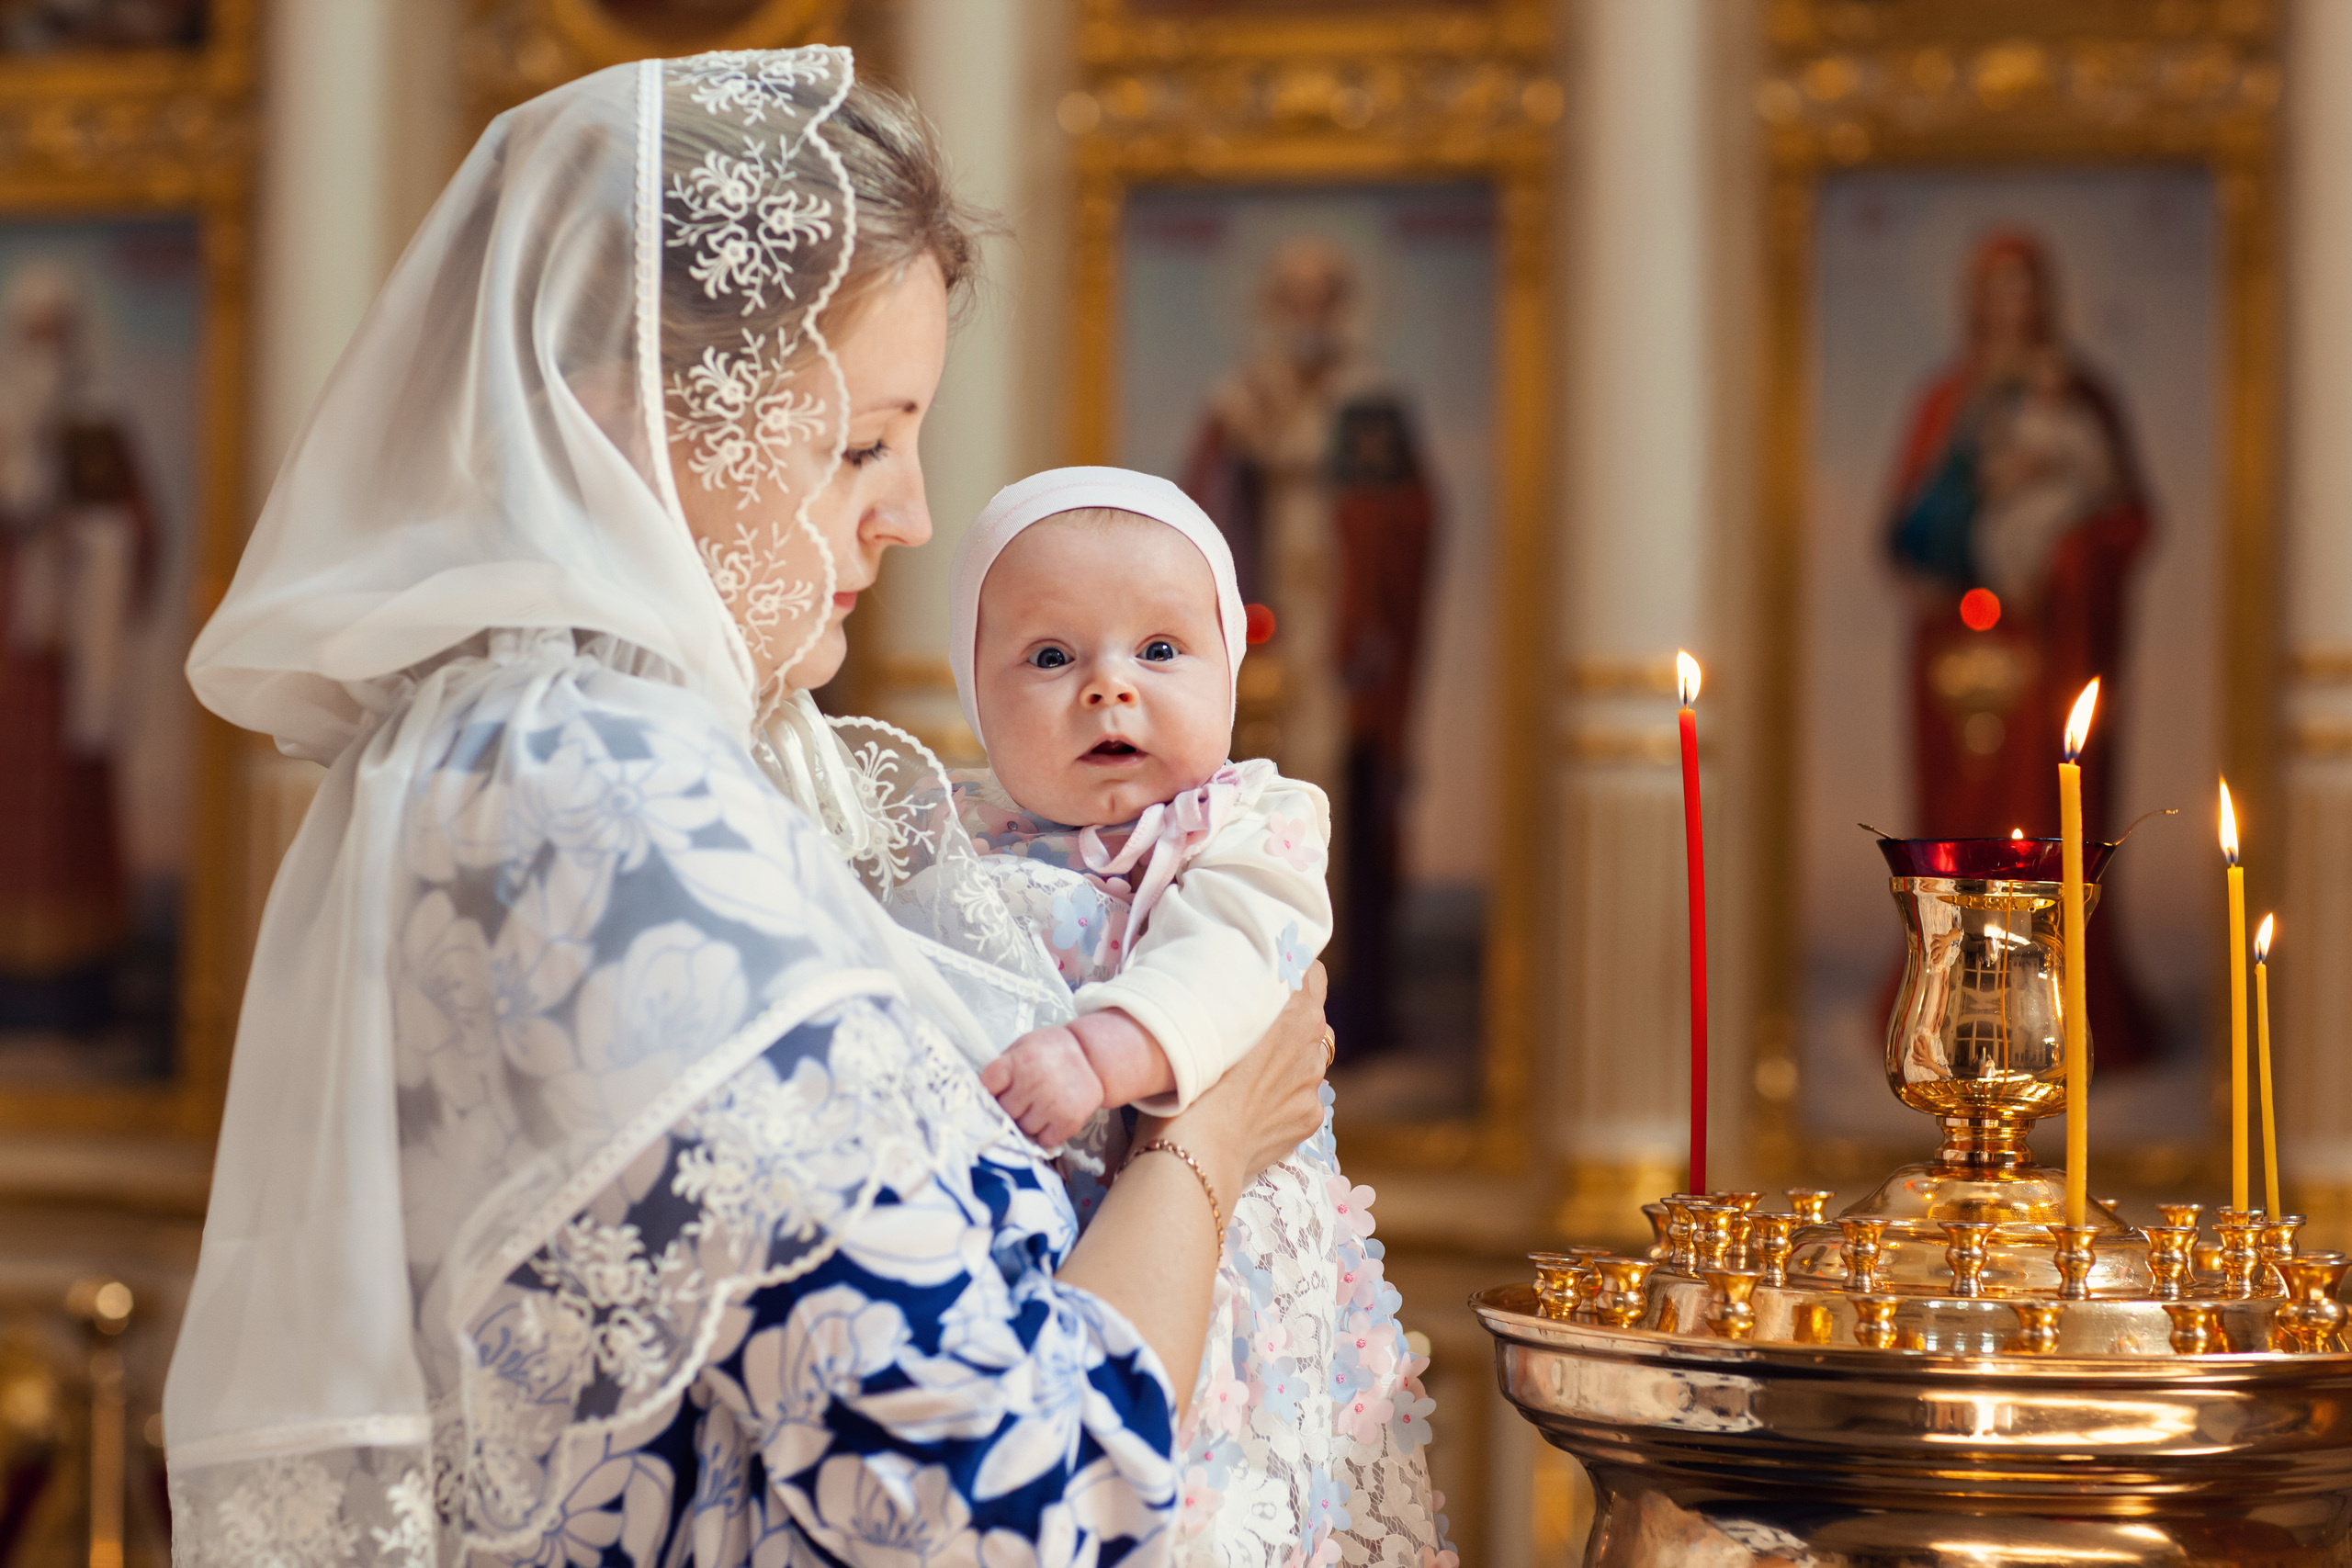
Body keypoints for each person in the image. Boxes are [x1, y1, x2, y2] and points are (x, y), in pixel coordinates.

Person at [162, 50, 1333, 1565]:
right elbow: (1014, 1510)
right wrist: (1206, 1144)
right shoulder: (605, 800)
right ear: (630, 420)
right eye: (862, 440)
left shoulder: (535, 751)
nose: (909, 511)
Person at [940, 468, 1446, 1563]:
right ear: (973, 693)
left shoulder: (1248, 830)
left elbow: (1232, 958)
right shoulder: (950, 840)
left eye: (1160, 651)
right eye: (1050, 656)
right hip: (1052, 1248)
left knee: (1227, 1477)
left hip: (1224, 1252)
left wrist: (1102, 1051)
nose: (1108, 690)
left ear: (1230, 670)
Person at [1883, 229, 2158, 1066]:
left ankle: (2065, 1020)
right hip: (1963, 661)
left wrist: (2066, 549)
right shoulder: (1947, 403)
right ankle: (1954, 1017)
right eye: (1996, 293)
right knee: (1962, 833)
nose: (2013, 310)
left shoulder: (2084, 397)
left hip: (2056, 652)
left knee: (2047, 826)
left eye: (2025, 291)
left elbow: (2125, 519)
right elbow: (1907, 532)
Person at [1182, 238, 1435, 1062]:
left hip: (1342, 640)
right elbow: (1196, 513)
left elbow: (1412, 520)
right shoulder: (1242, 401)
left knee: (1345, 807)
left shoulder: (1371, 400)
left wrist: (1369, 580)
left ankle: (1347, 1011)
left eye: (1321, 295)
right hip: (1265, 630)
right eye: (1291, 296)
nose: (1306, 314)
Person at [0, 263, 155, 1034]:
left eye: (55, 330)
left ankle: (73, 990)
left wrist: (93, 539)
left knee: (69, 812)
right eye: (32, 331)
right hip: (8, 650)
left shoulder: (101, 418)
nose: (44, 344)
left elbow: (139, 524)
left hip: (73, 658)